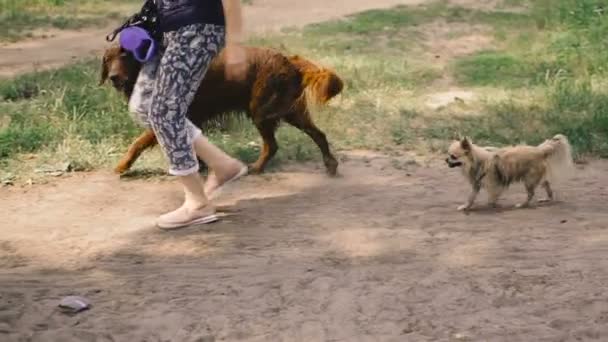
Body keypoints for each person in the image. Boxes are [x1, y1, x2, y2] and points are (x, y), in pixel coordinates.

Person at [128, 0, 248, 230]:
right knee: (144, 106)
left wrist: (235, 44)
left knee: (165, 112)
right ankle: (223, 165)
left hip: (197, 29)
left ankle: (197, 204)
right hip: (166, 27)